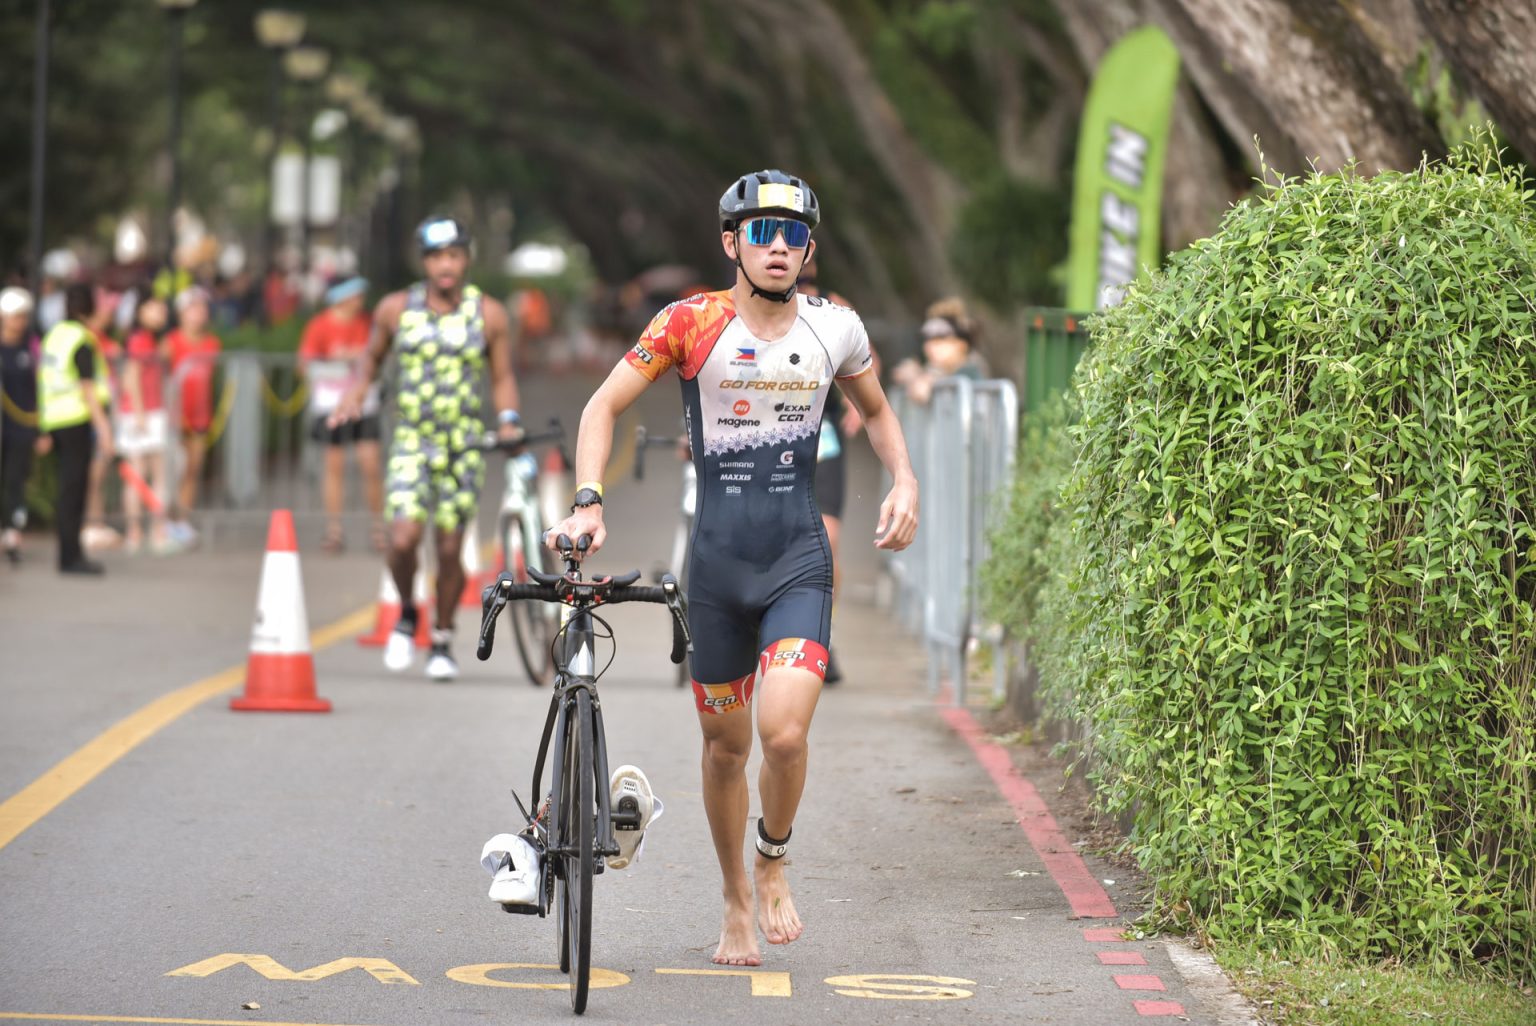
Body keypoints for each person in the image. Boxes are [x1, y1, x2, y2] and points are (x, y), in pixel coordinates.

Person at [545, 169, 919, 966]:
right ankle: (734, 898)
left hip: (796, 562)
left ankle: (772, 858)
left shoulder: (835, 328)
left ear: (808, 250)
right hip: (715, 570)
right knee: (726, 749)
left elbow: (878, 410)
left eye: (793, 235)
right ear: (731, 243)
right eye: (761, 232)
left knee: (783, 735)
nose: (779, 247)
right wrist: (587, 501)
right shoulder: (689, 323)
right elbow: (601, 406)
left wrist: (905, 481)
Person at [330, 216, 524, 682]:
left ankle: (442, 636)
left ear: (466, 259)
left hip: (463, 444)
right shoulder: (395, 309)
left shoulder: (488, 314)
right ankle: (406, 612)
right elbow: (372, 358)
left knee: (451, 548)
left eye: (453, 255)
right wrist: (356, 391)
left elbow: (501, 376)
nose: (445, 265)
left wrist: (508, 421)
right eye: (436, 257)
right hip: (412, 441)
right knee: (402, 539)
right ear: (424, 262)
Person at [299, 276, 383, 553]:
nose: (360, 300)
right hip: (331, 403)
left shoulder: (368, 322)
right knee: (334, 466)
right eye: (355, 294)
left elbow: (379, 355)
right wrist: (335, 359)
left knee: (370, 464)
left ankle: (378, 527)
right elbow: (303, 363)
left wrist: (362, 356)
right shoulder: (320, 325)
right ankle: (334, 530)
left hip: (363, 403)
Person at [37, 282, 114, 575]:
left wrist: (43, 427)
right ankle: (71, 557)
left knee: (67, 488)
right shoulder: (81, 339)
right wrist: (104, 429)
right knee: (74, 490)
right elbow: (88, 389)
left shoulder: (54, 336)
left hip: (54, 420)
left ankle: (68, 554)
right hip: (75, 420)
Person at [117, 297, 173, 554]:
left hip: (149, 411)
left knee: (150, 473)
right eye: (155, 308)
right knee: (141, 473)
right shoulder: (139, 339)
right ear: (141, 311)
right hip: (141, 413)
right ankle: (140, 531)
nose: (160, 312)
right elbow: (131, 376)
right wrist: (140, 413)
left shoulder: (154, 340)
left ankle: (149, 531)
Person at [166, 287, 222, 545]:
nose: (200, 312)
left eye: (203, 307)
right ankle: (166, 520)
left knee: (192, 470)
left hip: (200, 418)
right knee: (172, 472)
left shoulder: (212, 344)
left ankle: (182, 521)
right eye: (194, 307)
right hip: (175, 419)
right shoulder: (170, 343)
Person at [0, 287, 40, 563]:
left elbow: (39, 388)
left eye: (23, 316)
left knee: (16, 481)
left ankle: (12, 535)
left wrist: (40, 429)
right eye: (15, 316)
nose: (19, 322)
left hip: (22, 428)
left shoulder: (32, 347)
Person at [890, 297, 985, 404]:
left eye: (940, 338)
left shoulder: (971, 370)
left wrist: (928, 379)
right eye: (927, 338)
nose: (929, 345)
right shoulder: (935, 369)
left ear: (961, 344)